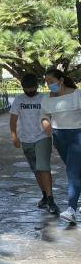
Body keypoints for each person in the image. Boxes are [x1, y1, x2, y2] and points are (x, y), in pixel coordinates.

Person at [10, 73, 59, 215]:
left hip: (42, 137)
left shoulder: (44, 98)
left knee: (44, 167)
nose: (29, 90)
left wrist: (55, 136)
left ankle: (51, 200)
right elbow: (13, 119)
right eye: (26, 88)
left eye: (32, 88)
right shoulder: (19, 100)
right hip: (26, 139)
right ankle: (44, 195)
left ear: (37, 86)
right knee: (36, 170)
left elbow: (53, 116)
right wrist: (14, 136)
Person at [41, 68, 81, 224]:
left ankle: (71, 210)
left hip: (77, 135)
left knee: (72, 172)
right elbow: (44, 114)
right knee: (75, 171)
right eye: (47, 82)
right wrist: (45, 122)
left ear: (61, 80)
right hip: (59, 137)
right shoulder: (47, 98)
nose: (49, 85)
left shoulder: (77, 95)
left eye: (51, 81)